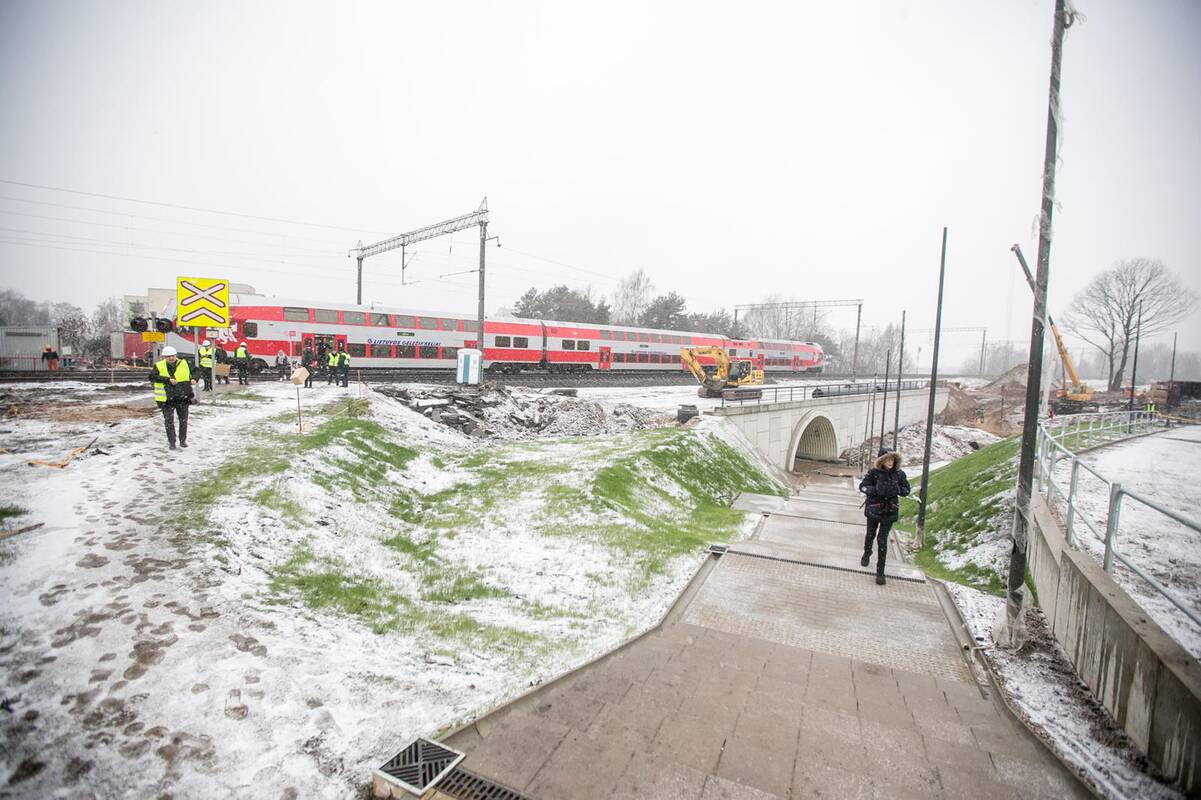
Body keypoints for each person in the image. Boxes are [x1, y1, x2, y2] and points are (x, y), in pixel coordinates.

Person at [858, 448, 911, 585]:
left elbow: (907, 490)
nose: (890, 462)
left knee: (882, 539)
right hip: (874, 509)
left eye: (892, 459)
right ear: (881, 461)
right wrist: (875, 490)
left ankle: (880, 571)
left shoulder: (899, 474)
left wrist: (898, 490)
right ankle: (867, 552)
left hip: (889, 511)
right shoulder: (874, 473)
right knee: (870, 534)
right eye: (887, 459)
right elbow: (863, 486)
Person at [149, 346, 195, 450]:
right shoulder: (159, 365)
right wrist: (167, 380)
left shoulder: (185, 363)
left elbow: (196, 371)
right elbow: (152, 377)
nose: (171, 358)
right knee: (169, 421)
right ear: (164, 357)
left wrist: (195, 378)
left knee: (183, 420)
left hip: (182, 397)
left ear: (176, 355)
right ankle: (172, 442)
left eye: (172, 356)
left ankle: (182, 440)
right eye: (168, 356)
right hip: (166, 399)